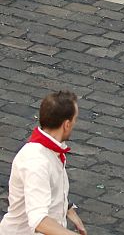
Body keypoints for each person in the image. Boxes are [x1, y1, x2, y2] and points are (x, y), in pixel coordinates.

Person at [0, 91, 86, 235]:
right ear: (67, 124)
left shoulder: (51, 150)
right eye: (75, 119)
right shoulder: (37, 163)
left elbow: (47, 186)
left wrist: (68, 208)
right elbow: (39, 221)